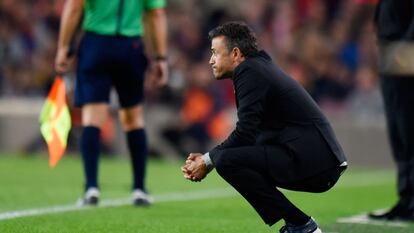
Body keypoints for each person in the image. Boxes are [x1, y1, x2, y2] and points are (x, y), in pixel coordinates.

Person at [181, 22, 347, 233]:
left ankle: (301, 225)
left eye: (215, 52)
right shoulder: (258, 66)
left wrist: (207, 160)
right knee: (228, 157)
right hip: (318, 159)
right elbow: (252, 133)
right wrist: (209, 157)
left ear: (235, 53)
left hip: (316, 162)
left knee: (226, 161)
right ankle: (300, 225)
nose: (210, 60)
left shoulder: (249, 70)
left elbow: (245, 133)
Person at [55, 0, 168, 206]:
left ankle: (91, 187)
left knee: (93, 117)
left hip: (96, 44)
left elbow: (73, 8)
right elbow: (156, 14)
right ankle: (139, 188)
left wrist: (63, 46)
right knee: (133, 118)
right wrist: (160, 57)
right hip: (130, 45)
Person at [368, 0, 414, 221]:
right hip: (390, 53)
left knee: (408, 129)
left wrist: (406, 47)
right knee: (398, 131)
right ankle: (406, 199)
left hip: (405, 54)